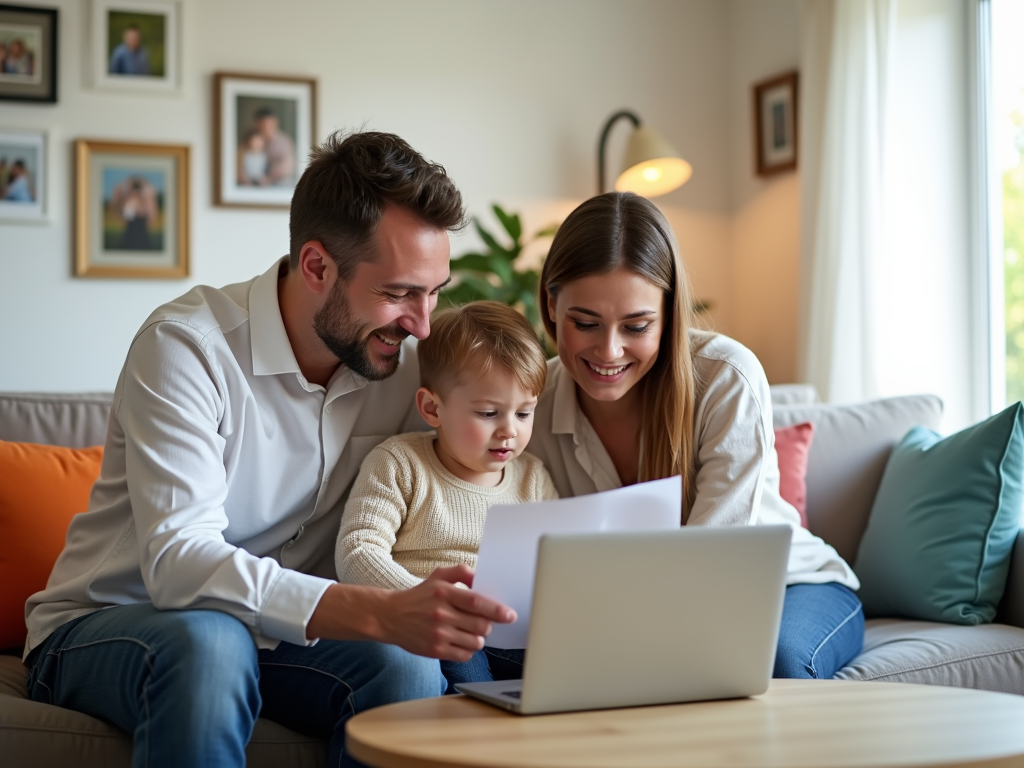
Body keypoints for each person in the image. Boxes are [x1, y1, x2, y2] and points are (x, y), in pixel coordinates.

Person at [23, 131, 516, 768]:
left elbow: (525, 398)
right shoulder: (187, 348)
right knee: (212, 643)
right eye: (398, 294)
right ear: (317, 267)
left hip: (280, 637)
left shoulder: (407, 366)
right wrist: (379, 609)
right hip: (115, 621)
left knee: (405, 669)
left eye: (434, 291)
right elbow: (179, 563)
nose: (422, 323)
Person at [520, 191, 864, 681]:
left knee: (777, 662)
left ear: (669, 315)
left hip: (792, 586)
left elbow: (712, 565)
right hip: (633, 609)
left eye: (637, 326)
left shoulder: (726, 378)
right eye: (585, 323)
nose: (609, 350)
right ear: (552, 306)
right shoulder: (534, 398)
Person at [336, 300, 557, 690]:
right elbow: (358, 552)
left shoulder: (532, 478)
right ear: (432, 408)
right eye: (489, 413)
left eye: (524, 413)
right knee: (466, 667)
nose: (509, 430)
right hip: (434, 626)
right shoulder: (400, 463)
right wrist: (422, 601)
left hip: (511, 628)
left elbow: (560, 561)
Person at [253, 107, 297, 186]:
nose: (266, 128)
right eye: (263, 125)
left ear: (275, 123)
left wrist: (268, 179)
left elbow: (287, 167)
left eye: (269, 125)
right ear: (257, 124)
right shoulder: (254, 140)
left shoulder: (284, 141)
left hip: (280, 188)